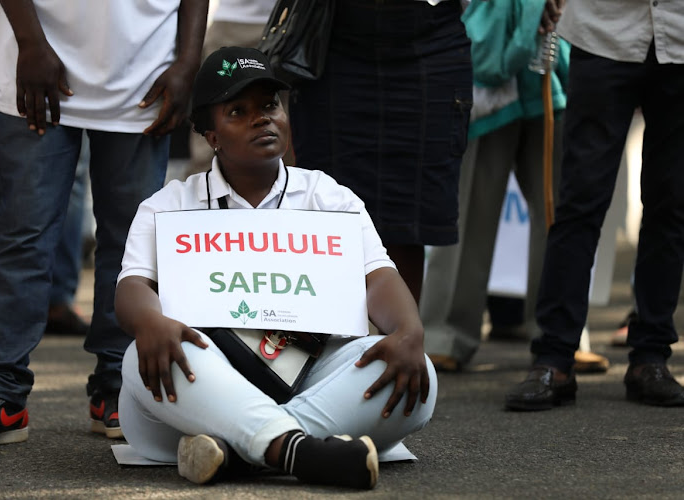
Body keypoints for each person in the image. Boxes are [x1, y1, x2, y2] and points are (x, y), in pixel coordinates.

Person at [115, 46, 436, 489]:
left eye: (270, 105)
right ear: (211, 135)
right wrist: (149, 320)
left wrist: (408, 331)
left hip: (310, 378)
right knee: (141, 356)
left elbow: (379, 278)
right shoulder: (168, 205)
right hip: (204, 387)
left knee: (418, 372)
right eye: (238, 111)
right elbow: (132, 288)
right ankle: (299, 451)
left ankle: (242, 453)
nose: (262, 118)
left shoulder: (329, 196)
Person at [0, 0, 208, 449]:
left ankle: (120, 386)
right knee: (21, 237)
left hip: (143, 68)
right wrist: (29, 42)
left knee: (132, 245)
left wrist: (187, 62)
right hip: (35, 59)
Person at [505, 0, 684, 410]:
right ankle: (554, 358)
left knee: (671, 204)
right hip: (606, 31)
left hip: (679, 36)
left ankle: (651, 356)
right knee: (580, 203)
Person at [289, 0, 472, 304]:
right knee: (326, 216)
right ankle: (322, 345)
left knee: (409, 221)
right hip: (332, 37)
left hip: (431, 39)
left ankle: (401, 343)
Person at [420, 0, 567, 372]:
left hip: (550, 58)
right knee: (465, 208)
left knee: (561, 210)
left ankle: (562, 334)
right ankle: (445, 333)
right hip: (483, 54)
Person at [0, 0, 90, 341]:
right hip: (18, 31)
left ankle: (57, 298)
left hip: (89, 39)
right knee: (13, 183)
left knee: (74, 176)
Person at [186, 0, 278, 178]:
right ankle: (202, 199)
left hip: (293, 21)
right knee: (214, 117)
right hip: (233, 22)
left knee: (280, 121)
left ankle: (281, 200)